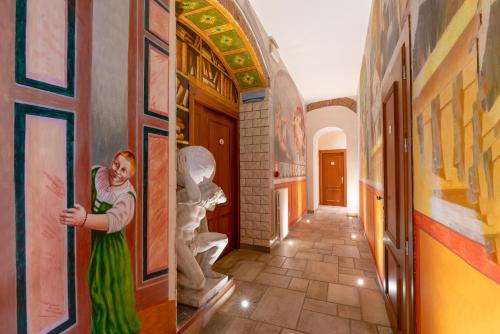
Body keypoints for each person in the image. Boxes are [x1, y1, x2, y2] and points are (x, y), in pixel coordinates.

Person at [59, 151, 141, 334]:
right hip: (90, 240)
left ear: (130, 175)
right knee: (91, 284)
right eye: (116, 164)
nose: (117, 171)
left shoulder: (127, 197)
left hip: (110, 248)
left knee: (107, 289)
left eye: (124, 170)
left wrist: (84, 219)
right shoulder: (98, 173)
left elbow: (111, 221)